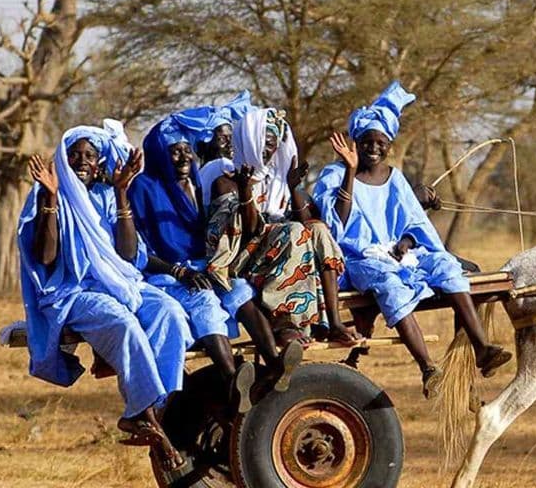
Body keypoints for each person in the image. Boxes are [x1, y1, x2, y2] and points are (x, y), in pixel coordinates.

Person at [312, 81, 510, 398]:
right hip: (358, 260)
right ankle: (428, 368)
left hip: (400, 255)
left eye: (381, 142)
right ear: (355, 143)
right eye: (366, 142)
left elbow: (414, 223)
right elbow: (338, 223)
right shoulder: (334, 175)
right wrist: (350, 170)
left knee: (447, 264)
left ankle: (482, 346)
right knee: (389, 285)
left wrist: (405, 241)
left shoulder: (395, 177)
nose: (374, 148)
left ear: (389, 144)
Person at [18, 120, 193, 469]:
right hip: (75, 290)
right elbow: (47, 256)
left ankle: (161, 406)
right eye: (75, 155)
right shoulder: (49, 195)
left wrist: (122, 192)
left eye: (89, 155)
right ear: (64, 160)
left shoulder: (105, 194)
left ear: (99, 163)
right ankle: (141, 415)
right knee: (122, 323)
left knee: (170, 312)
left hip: (121, 280)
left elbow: (128, 255)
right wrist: (51, 197)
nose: (82, 161)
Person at [130, 111, 299, 410]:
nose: (183, 158)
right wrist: (179, 271)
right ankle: (233, 380)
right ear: (159, 155)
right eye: (174, 152)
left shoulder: (194, 183)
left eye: (186, 150)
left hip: (202, 266)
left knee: (239, 290)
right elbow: (137, 251)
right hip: (166, 274)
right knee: (205, 301)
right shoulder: (144, 188)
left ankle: (274, 361)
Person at [205, 108, 359, 348]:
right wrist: (246, 193)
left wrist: (292, 187)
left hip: (281, 252)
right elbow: (247, 233)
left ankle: (334, 322)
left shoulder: (275, 182)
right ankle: (283, 323)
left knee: (318, 229)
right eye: (264, 143)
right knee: (294, 232)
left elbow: (305, 219)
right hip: (242, 259)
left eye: (273, 144)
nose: (269, 151)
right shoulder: (226, 183)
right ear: (249, 141)